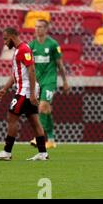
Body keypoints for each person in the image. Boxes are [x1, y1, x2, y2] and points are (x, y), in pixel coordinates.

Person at [0, 27, 49, 161]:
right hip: (26, 90)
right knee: (34, 120)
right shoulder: (19, 50)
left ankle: (7, 152)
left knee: (11, 117)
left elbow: (32, 70)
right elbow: (15, 74)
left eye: (5, 39)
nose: (4, 42)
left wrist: (32, 94)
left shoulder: (23, 49)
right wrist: (4, 89)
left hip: (25, 91)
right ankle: (42, 153)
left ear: (11, 37)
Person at [29, 19, 69, 149]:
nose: (37, 29)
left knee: (42, 107)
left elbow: (60, 65)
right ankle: (51, 139)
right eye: (36, 27)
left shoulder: (53, 44)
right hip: (37, 82)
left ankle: (38, 137)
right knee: (45, 110)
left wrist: (65, 82)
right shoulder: (31, 46)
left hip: (50, 80)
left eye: (40, 27)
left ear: (46, 29)